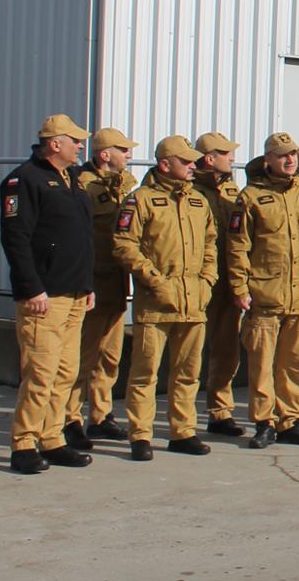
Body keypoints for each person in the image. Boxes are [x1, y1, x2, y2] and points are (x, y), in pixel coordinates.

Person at [229, 133, 299, 448]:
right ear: (269, 160)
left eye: (292, 154)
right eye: (282, 155)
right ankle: (264, 422)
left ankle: (290, 421)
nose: (289, 160)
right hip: (265, 296)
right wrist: (240, 286)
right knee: (263, 364)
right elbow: (238, 247)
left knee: (295, 363)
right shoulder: (250, 197)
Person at [0, 114, 97, 474]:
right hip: (45, 296)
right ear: (55, 144)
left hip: (73, 292)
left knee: (65, 372)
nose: (80, 146)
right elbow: (16, 238)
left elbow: (83, 237)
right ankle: (24, 442)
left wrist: (87, 285)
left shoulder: (72, 179)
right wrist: (31, 287)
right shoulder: (24, 180)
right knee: (40, 372)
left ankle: (52, 437)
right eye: (74, 141)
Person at [111, 136, 216, 461]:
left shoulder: (198, 201)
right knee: (145, 374)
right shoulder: (140, 200)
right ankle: (140, 434)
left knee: (187, 373)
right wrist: (154, 281)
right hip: (156, 304)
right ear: (165, 164)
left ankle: (183, 431)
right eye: (185, 162)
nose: (192, 167)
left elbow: (211, 243)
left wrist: (208, 281)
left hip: (194, 303)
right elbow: (124, 244)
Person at [66, 126, 141, 449]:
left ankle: (101, 415)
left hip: (115, 280)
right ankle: (70, 418)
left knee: (110, 356)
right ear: (104, 153)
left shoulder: (123, 184)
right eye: (123, 150)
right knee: (83, 355)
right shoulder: (82, 185)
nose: (130, 155)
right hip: (92, 279)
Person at [192, 132, 248, 435]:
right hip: (198, 282)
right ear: (209, 159)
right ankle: (182, 416)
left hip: (228, 281)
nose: (232, 158)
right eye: (226, 153)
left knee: (227, 351)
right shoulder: (191, 191)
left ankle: (220, 412)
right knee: (187, 355)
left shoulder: (230, 189)